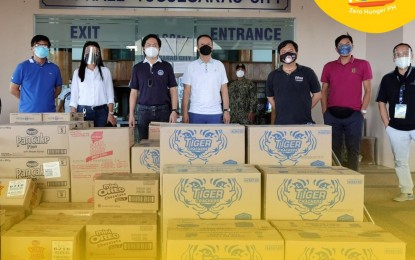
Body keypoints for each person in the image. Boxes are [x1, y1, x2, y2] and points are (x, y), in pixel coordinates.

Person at [321, 33, 372, 172]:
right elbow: (324, 90)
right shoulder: (329, 66)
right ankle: (337, 178)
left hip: (354, 115)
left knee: (353, 149)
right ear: (336, 48)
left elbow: (368, 90)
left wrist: (362, 111)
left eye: (347, 44)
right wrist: (325, 112)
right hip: (332, 115)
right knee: (333, 148)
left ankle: (353, 179)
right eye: (341, 45)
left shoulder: (363, 64)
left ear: (352, 46)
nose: (345, 47)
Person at [377, 43, 415, 202]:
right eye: (398, 54)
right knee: (400, 161)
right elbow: (381, 102)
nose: (401, 56)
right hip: (396, 128)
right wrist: (387, 125)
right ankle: (407, 191)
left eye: (405, 53)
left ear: (411, 55)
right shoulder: (387, 79)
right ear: (393, 57)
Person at [128, 34, 178, 141]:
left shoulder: (166, 66)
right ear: (143, 48)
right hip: (143, 111)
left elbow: (173, 90)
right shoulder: (137, 68)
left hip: (164, 110)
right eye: (148, 45)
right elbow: (133, 92)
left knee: (164, 143)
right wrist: (131, 114)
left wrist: (174, 110)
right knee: (144, 143)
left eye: (155, 45)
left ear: (159, 48)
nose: (152, 47)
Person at [266, 40, 321, 125]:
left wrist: (306, 108)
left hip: (304, 123)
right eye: (283, 52)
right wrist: (279, 109)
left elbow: (317, 94)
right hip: (281, 123)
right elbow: (270, 97)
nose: (287, 54)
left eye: (290, 51)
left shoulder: (307, 72)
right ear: (279, 55)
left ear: (297, 53)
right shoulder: (273, 75)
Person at [182, 34, 230, 124]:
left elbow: (224, 90)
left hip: (215, 112)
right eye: (202, 44)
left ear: (212, 47)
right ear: (198, 48)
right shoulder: (191, 66)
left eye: (208, 44)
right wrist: (184, 113)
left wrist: (226, 111)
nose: (205, 46)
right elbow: (186, 91)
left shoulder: (219, 65)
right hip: (195, 112)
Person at [9, 35, 62, 112]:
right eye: (38, 45)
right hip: (27, 113)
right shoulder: (22, 67)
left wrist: (47, 98)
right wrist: (27, 100)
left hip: (49, 113)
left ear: (48, 49)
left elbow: (58, 88)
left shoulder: (54, 68)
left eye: (45, 46)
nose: (42, 48)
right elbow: (13, 89)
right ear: (32, 48)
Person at [69, 41, 116, 127]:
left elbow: (110, 96)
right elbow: (74, 98)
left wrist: (111, 113)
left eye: (95, 51)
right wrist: (73, 116)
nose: (92, 54)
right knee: (84, 138)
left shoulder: (105, 71)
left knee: (101, 138)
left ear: (99, 54)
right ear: (84, 53)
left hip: (102, 111)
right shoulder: (77, 72)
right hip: (83, 111)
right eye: (89, 51)